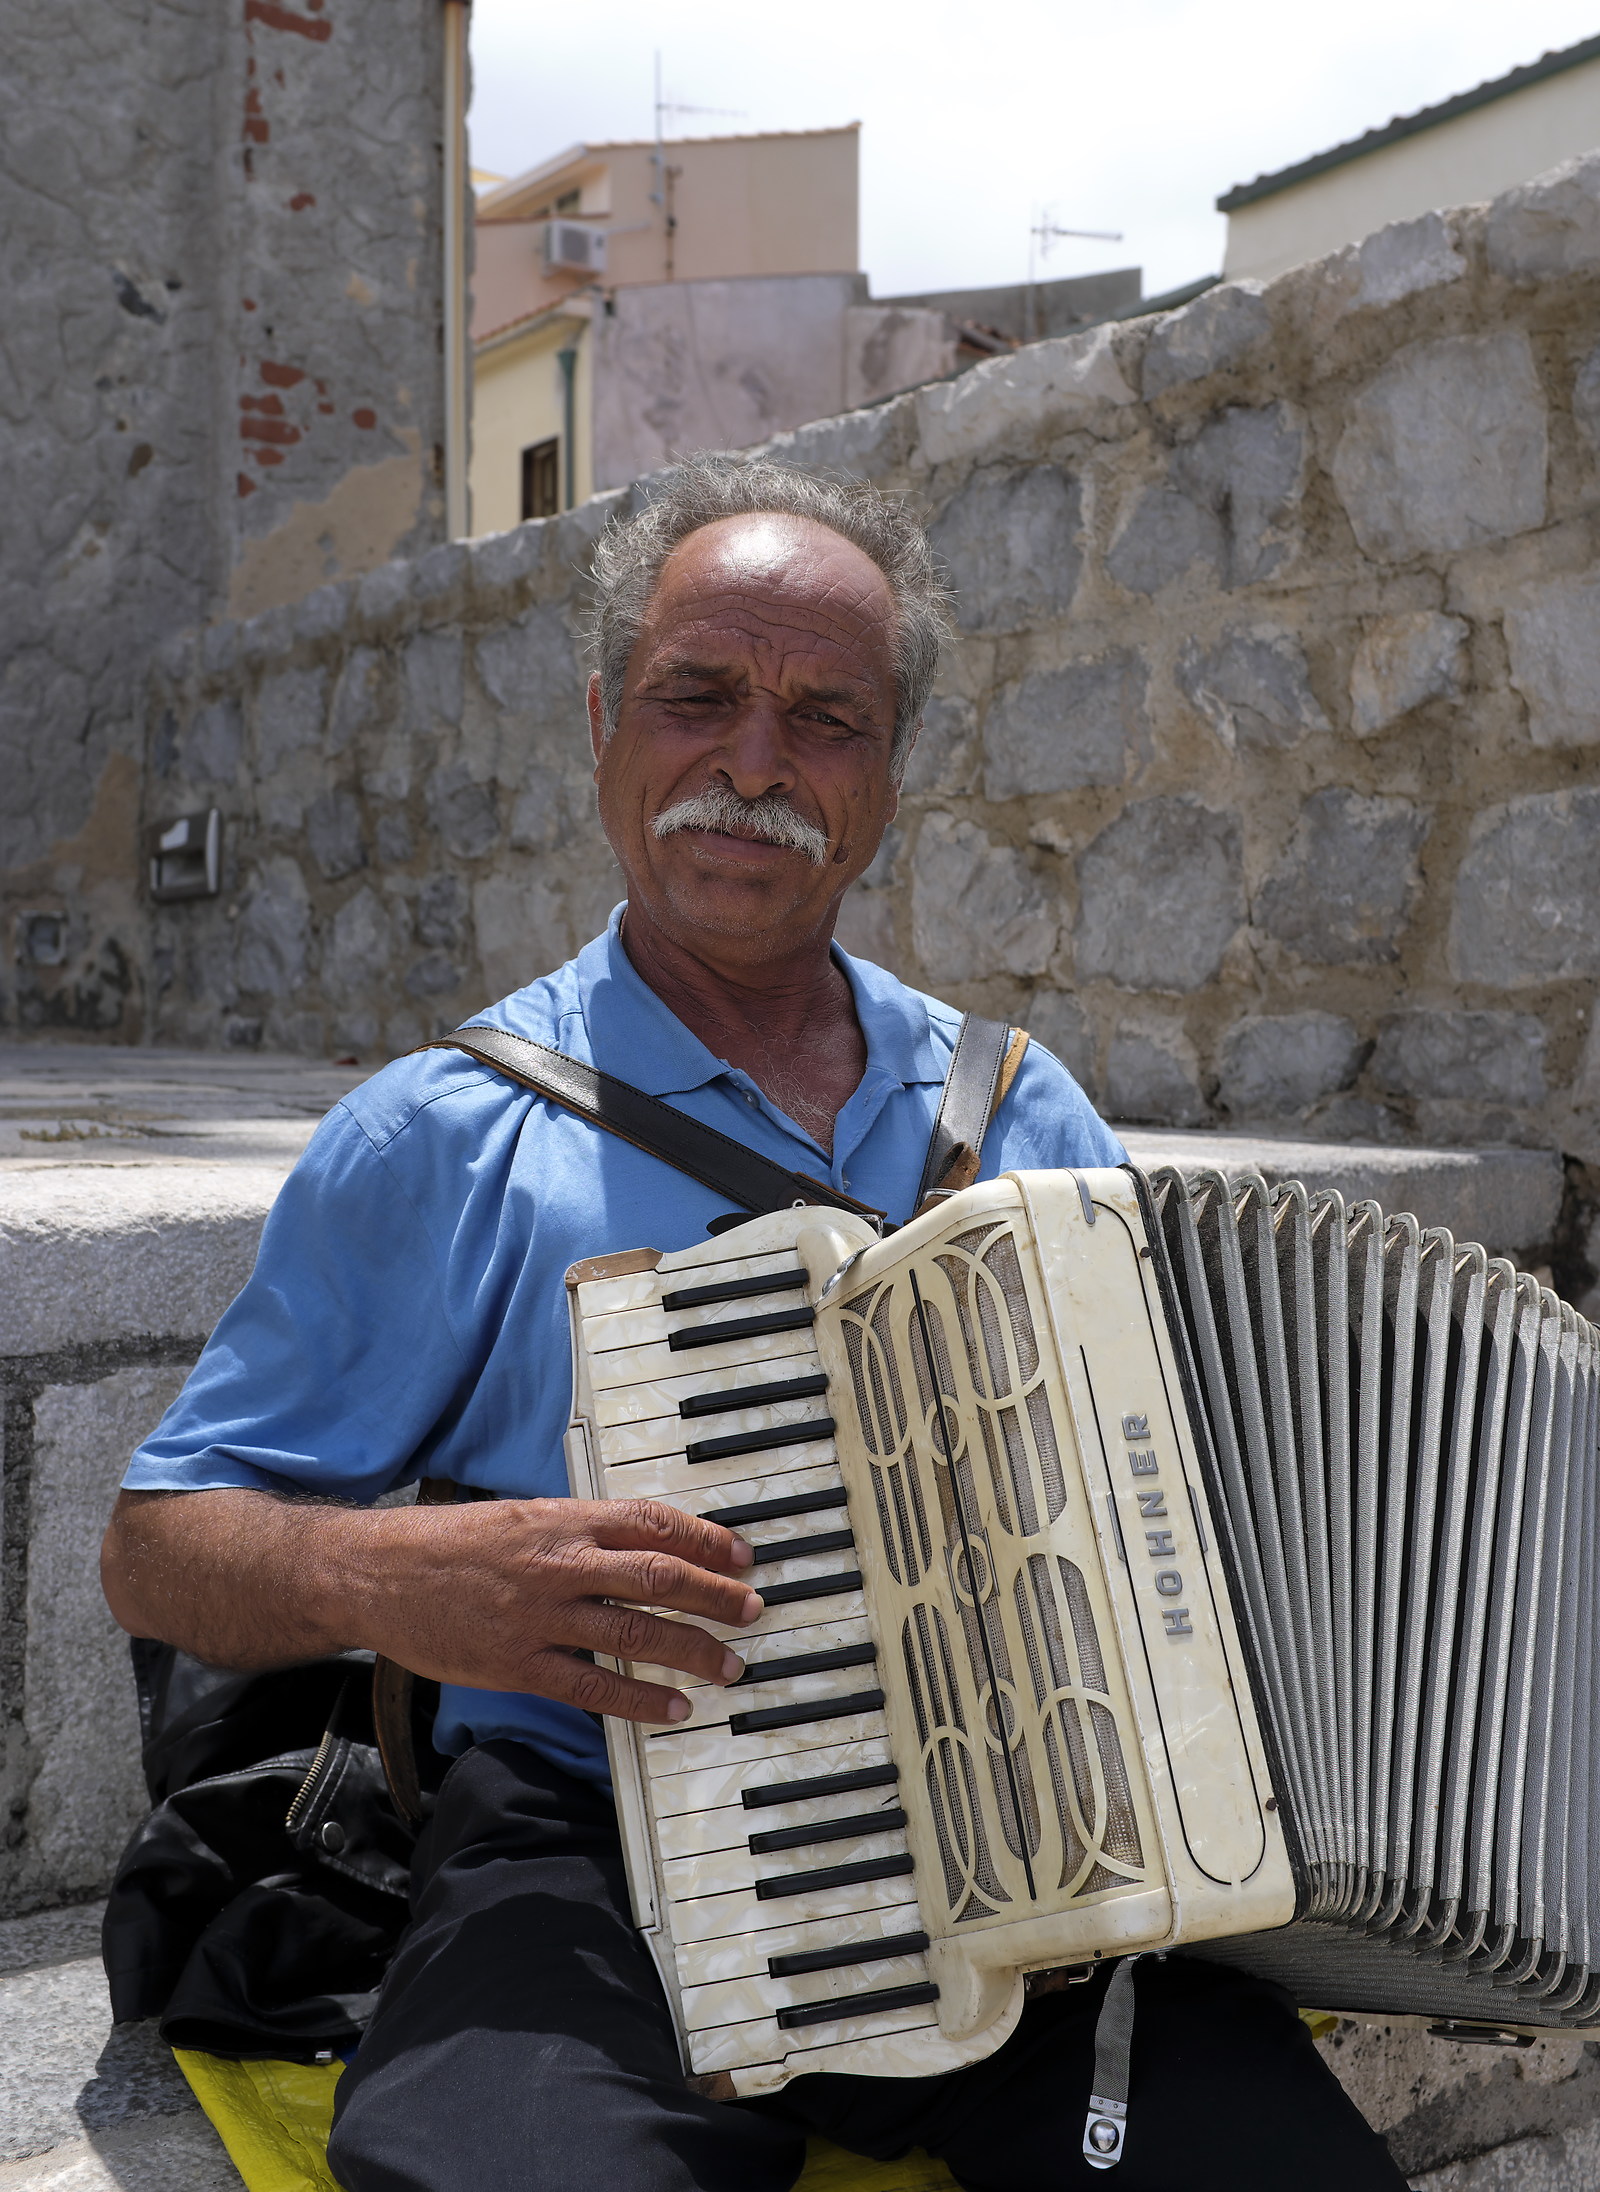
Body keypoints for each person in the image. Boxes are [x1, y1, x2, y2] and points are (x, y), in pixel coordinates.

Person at [101, 458, 1404, 2192]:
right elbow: (156, 1543)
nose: (756, 764)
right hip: (587, 1848)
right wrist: (389, 1585)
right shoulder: (448, 1128)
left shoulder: (1020, 1115)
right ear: (602, 725)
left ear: (886, 775)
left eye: (826, 718)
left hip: (1028, 1859)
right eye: (698, 695)